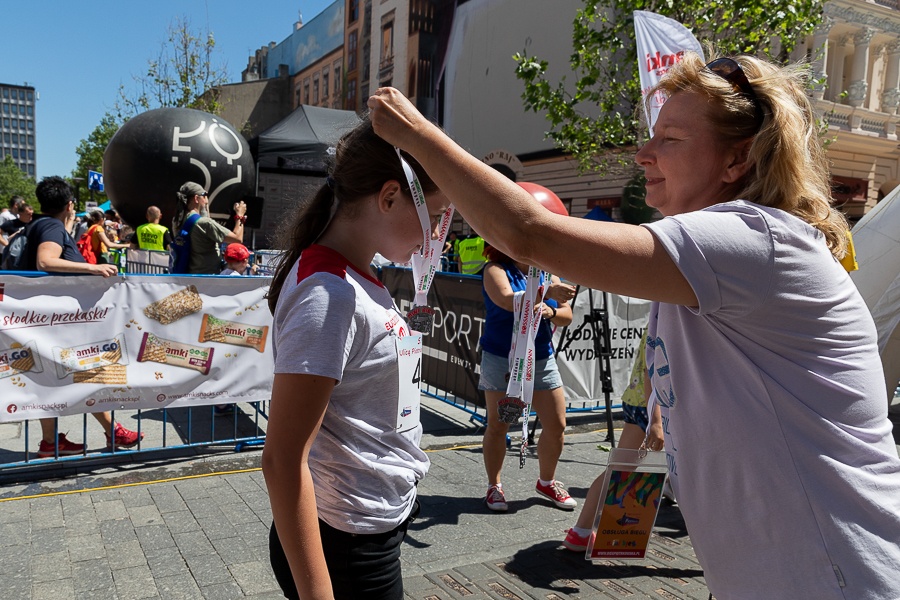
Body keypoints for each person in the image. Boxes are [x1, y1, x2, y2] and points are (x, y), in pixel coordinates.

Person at [368, 53, 900, 600]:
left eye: (669, 138)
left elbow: (531, 234)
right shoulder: (714, 256)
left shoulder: (751, 238)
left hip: (834, 573)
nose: (643, 154)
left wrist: (416, 134)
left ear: (737, 159)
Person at [261, 117, 448, 599]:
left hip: (366, 525)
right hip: (346, 542)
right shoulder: (330, 295)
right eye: (436, 217)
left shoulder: (354, 276)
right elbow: (283, 460)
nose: (437, 239)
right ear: (388, 198)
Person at [25, 176, 143, 457]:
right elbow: (46, 260)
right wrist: (93, 269)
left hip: (47, 320)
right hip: (56, 321)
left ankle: (53, 442)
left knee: (55, 378)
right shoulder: (51, 226)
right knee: (83, 373)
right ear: (69, 204)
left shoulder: (40, 225)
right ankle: (112, 432)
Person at [477, 186, 577, 513]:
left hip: (541, 357)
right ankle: (495, 486)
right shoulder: (495, 270)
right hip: (502, 358)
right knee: (499, 425)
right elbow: (506, 300)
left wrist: (551, 310)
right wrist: (546, 292)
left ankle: (546, 481)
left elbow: (566, 315)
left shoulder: (546, 272)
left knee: (557, 425)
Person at [562, 328, 664, 551]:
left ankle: (581, 531)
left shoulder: (663, 315)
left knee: (619, 468)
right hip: (655, 407)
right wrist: (656, 420)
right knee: (622, 468)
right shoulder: (674, 319)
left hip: (640, 401)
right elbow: (651, 370)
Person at [172, 182, 247, 274]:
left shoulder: (177, 222)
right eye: (204, 195)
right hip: (208, 278)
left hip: (188, 276)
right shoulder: (204, 224)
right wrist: (240, 216)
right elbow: (237, 238)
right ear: (196, 198)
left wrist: (204, 205)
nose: (206, 200)